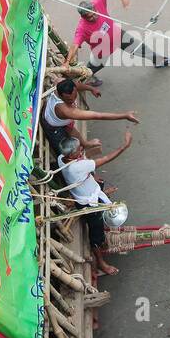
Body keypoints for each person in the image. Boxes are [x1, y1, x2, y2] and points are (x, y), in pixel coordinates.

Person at [61, 0, 170, 81]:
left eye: (95, 13)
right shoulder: (82, 29)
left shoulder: (97, 2)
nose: (94, 17)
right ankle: (81, 81)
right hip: (102, 50)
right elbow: (75, 46)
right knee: (92, 69)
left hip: (118, 35)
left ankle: (158, 60)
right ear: (83, 17)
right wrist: (67, 61)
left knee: (140, 48)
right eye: (90, 17)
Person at [58, 134, 131, 276]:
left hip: (82, 196)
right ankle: (101, 262)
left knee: (98, 225)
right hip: (89, 203)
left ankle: (101, 240)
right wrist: (124, 146)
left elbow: (86, 169)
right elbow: (105, 159)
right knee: (95, 232)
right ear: (73, 155)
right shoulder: (78, 167)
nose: (82, 150)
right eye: (80, 149)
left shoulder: (62, 159)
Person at [42, 77, 139, 151]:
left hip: (57, 117)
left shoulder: (61, 83)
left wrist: (91, 88)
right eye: (68, 99)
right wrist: (125, 116)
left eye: (74, 96)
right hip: (53, 127)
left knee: (70, 127)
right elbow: (97, 115)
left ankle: (85, 144)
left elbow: (77, 85)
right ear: (60, 95)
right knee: (65, 150)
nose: (72, 100)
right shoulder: (65, 110)